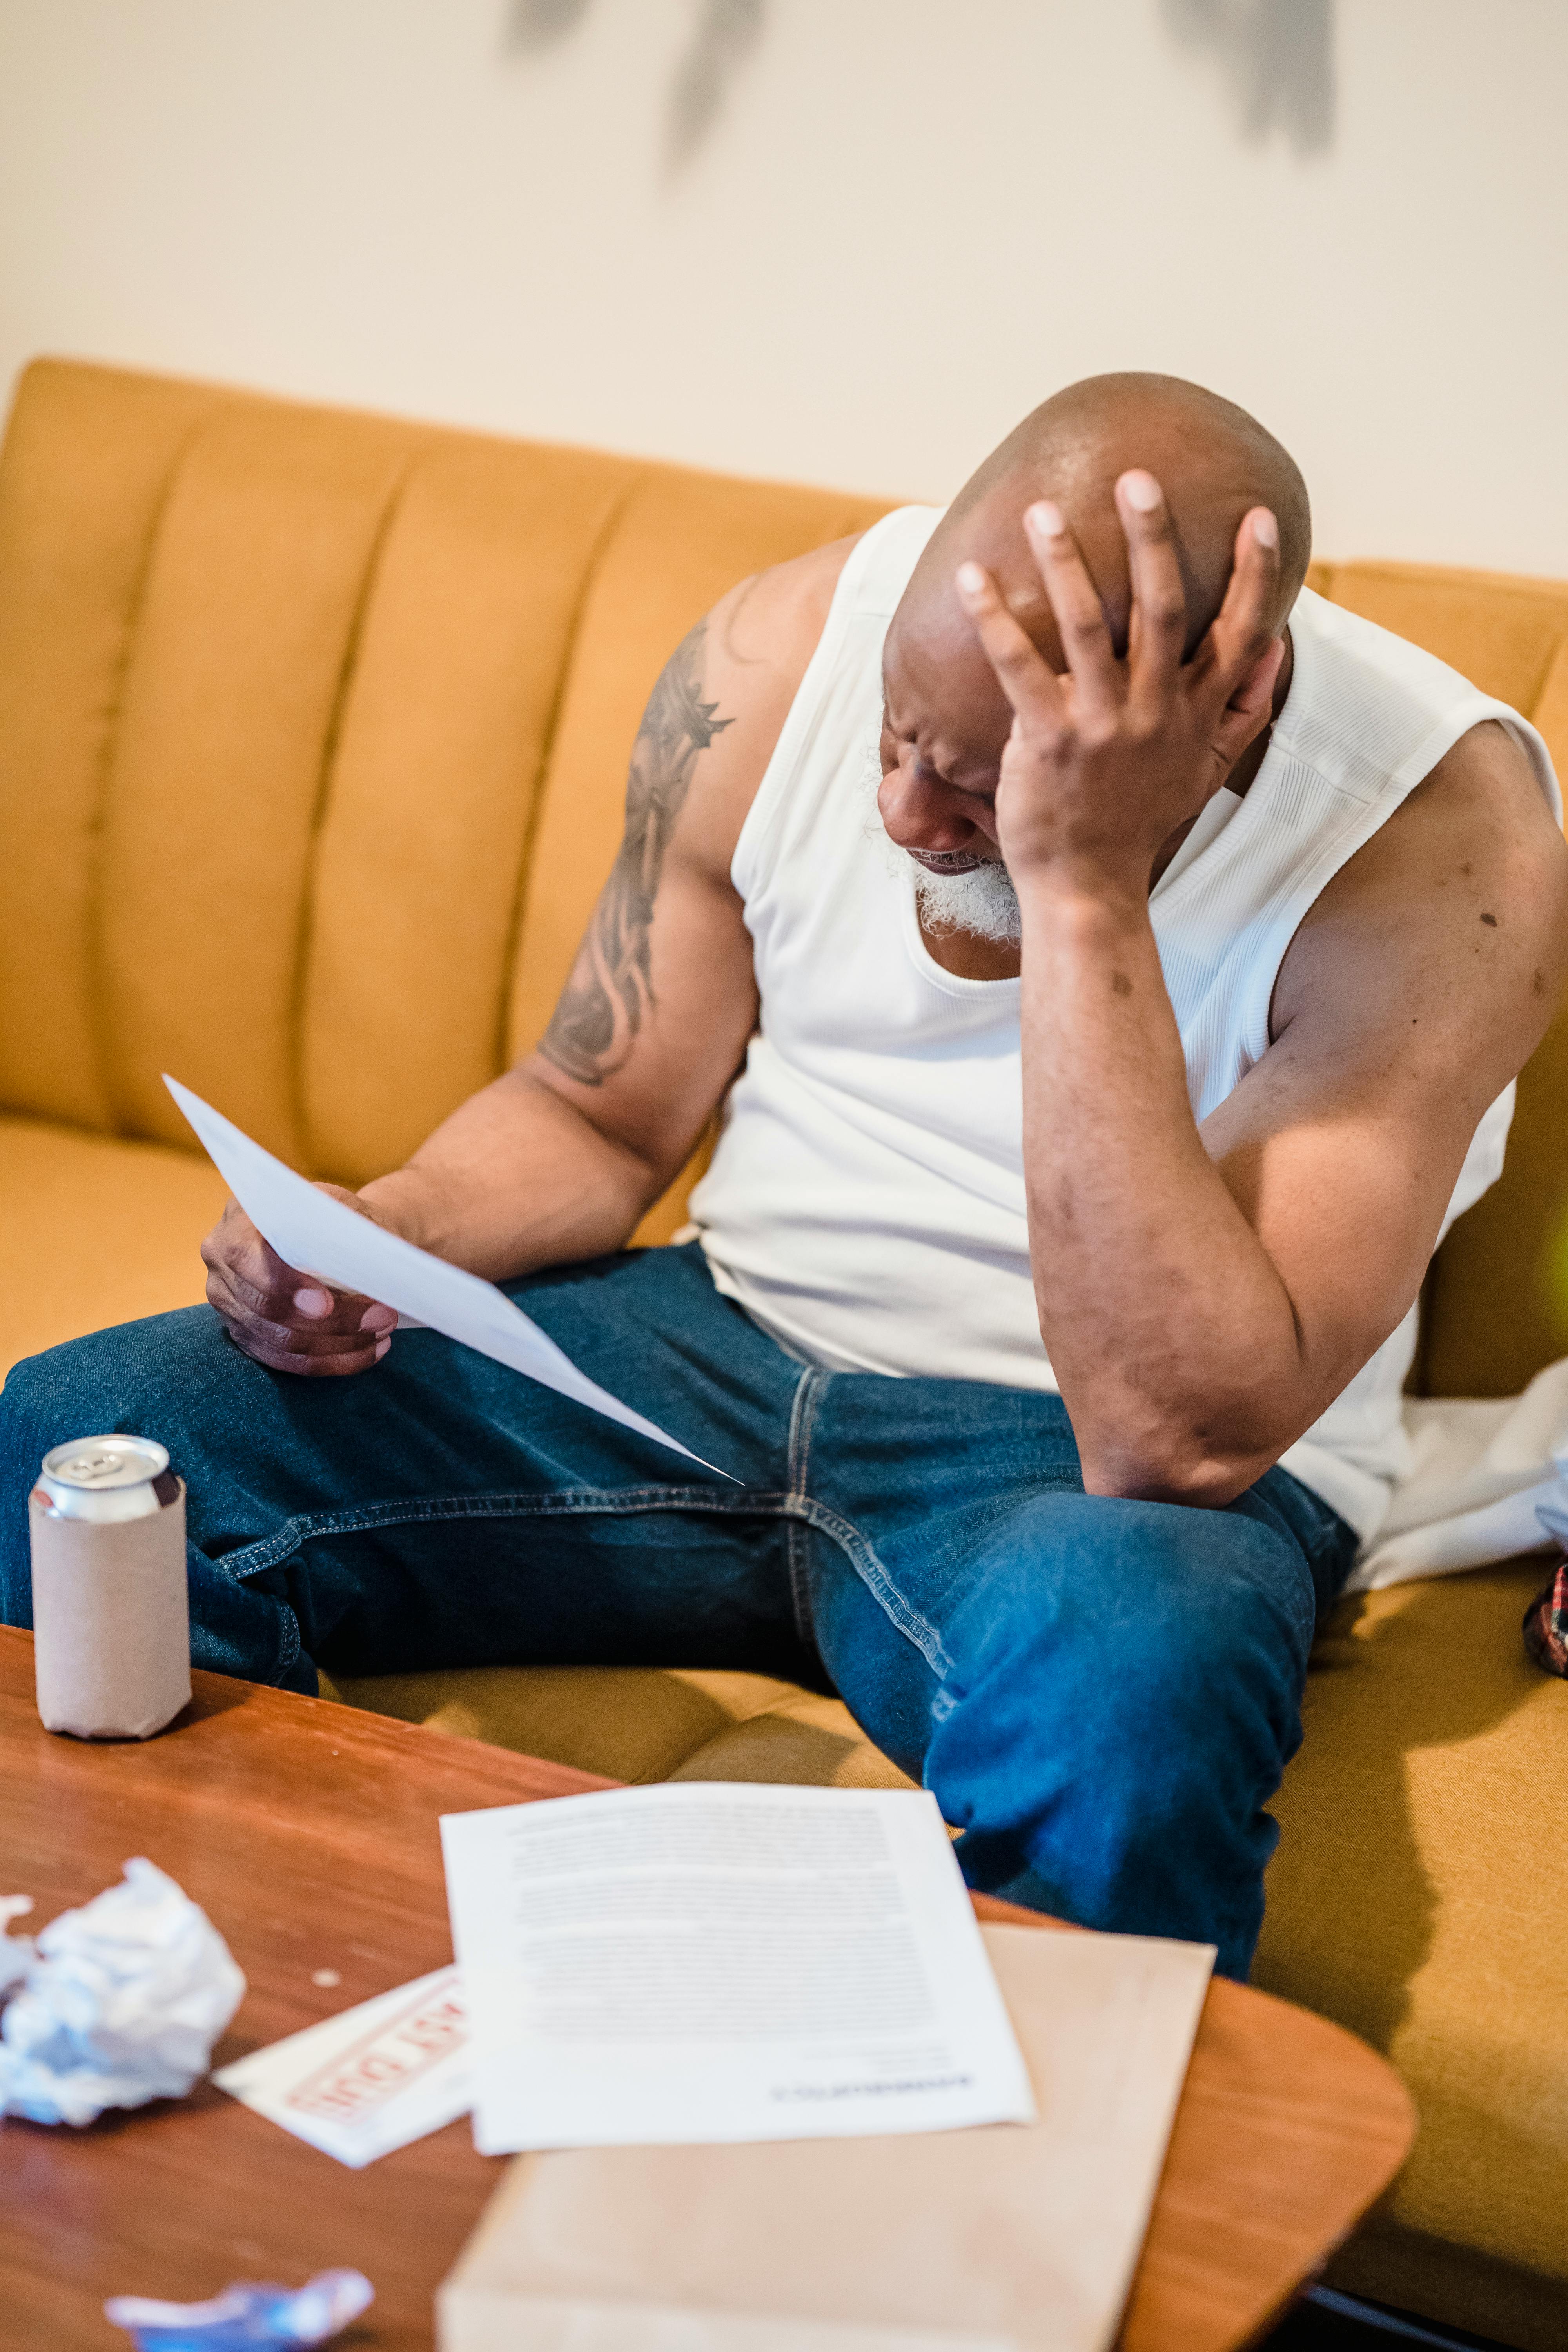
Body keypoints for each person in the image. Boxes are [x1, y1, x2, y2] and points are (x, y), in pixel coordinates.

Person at [3, 373, 1563, 1979]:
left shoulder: (1437, 845)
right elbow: (596, 1116)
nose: (900, 811)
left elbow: (1176, 1436)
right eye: (902, 737)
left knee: (1131, 1680)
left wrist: (1080, 881)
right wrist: (381, 1233)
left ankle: (1042, 2212)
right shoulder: (784, 649)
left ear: (1224, 709)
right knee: (89, 1448)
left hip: (1081, 1486)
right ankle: (209, 2019)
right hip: (712, 1348)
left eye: (975, 788)